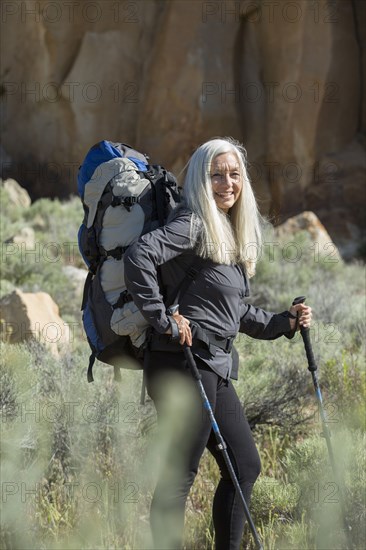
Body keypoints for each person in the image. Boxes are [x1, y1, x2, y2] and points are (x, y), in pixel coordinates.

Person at [123, 137, 312, 550]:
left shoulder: (222, 231)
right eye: (216, 175)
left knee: (244, 465)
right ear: (199, 179)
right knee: (180, 476)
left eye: (234, 174)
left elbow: (235, 313)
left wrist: (285, 322)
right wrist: (163, 318)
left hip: (213, 366)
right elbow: (138, 256)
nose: (227, 183)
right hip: (182, 362)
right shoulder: (191, 223)